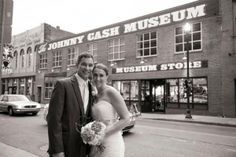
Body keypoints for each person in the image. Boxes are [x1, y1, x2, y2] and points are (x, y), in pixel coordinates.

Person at [47, 53, 94, 157]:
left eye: (90, 65)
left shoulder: (91, 87)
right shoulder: (63, 84)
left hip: (83, 147)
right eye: (84, 64)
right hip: (65, 146)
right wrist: (57, 150)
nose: (87, 68)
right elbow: (53, 120)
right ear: (77, 65)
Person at [89, 63, 130, 157]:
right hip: (96, 142)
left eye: (101, 75)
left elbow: (126, 119)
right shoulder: (95, 95)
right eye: (95, 75)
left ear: (107, 77)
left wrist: (104, 133)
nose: (97, 78)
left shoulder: (111, 92)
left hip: (111, 141)